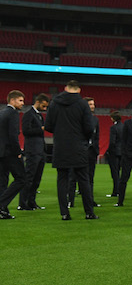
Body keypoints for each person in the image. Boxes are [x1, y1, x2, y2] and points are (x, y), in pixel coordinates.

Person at [43, 81, 99, 220]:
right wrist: (84, 139)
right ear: (79, 89)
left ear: (65, 88)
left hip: (60, 146)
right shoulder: (82, 104)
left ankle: (64, 213)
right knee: (84, 180)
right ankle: (89, 212)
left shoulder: (55, 103)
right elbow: (88, 128)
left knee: (62, 179)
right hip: (78, 146)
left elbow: (48, 126)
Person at [0, 90, 28, 219]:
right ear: (12, 100)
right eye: (20, 100)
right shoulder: (13, 114)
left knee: (2, 181)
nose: (23, 103)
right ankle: (1, 205)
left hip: (1, 153)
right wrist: (18, 152)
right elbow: (13, 135)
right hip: (10, 152)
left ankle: (3, 211)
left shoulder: (2, 112)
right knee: (21, 179)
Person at [18, 93, 49, 210]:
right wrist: (40, 129)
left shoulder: (39, 116)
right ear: (38, 102)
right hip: (32, 150)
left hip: (40, 151)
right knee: (29, 177)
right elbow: (26, 131)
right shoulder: (28, 114)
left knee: (37, 178)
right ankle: (22, 203)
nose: (45, 109)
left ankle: (32, 201)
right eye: (44, 106)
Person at [105, 111, 123, 198]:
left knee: (115, 173)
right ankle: (120, 191)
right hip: (122, 152)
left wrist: (108, 151)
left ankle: (116, 191)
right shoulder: (124, 127)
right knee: (121, 173)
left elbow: (112, 142)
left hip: (115, 152)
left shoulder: (113, 128)